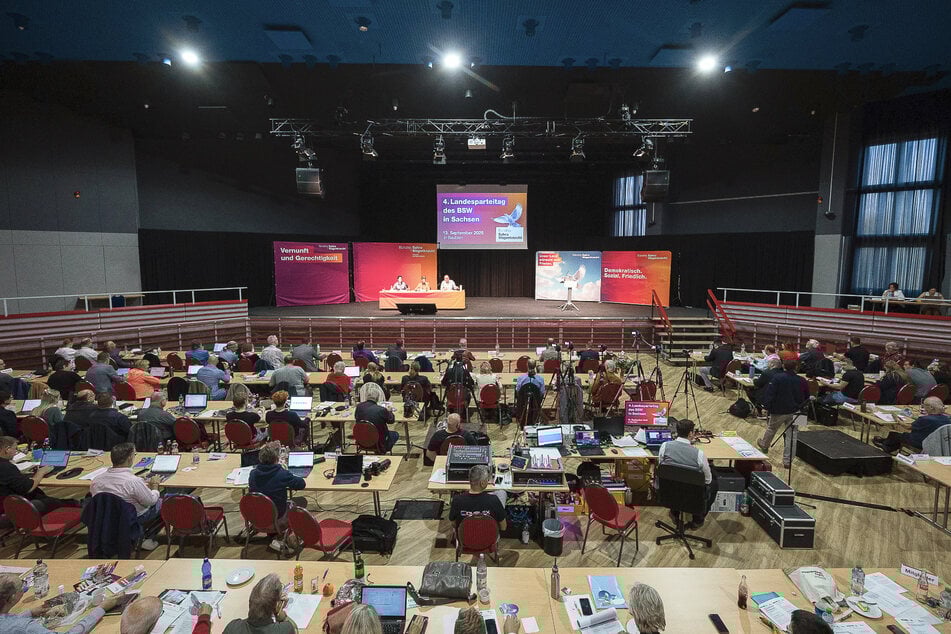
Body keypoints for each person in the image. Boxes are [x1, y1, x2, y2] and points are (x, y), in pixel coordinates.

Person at [0, 572, 128, 634]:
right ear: (11, 598)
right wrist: (101, 608)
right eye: (22, 588)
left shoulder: (14, 622)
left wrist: (30, 612)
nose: (24, 589)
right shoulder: (25, 626)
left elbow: (8, 624)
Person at [90, 442, 162, 549]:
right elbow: (150, 501)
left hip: (107, 516)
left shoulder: (96, 480)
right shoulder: (133, 481)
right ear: (129, 459)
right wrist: (155, 486)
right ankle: (143, 538)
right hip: (133, 517)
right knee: (165, 502)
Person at [657, 419, 716, 528]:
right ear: (690, 433)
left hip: (670, 491)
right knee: (714, 483)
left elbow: (662, 467)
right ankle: (698, 518)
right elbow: (707, 480)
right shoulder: (699, 454)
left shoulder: (664, 446)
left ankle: (674, 512)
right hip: (692, 495)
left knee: (674, 479)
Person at [248, 442, 306, 552]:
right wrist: (285, 471)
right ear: (276, 458)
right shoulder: (282, 474)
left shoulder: (253, 473)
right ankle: (293, 537)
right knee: (301, 502)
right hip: (277, 518)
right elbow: (301, 484)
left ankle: (273, 535)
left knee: (269, 502)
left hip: (256, 518)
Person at [0, 435, 78, 514]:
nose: (16, 452)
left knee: (41, 494)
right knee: (53, 502)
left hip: (6, 503)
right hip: (15, 508)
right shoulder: (6, 467)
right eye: (15, 449)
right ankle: (78, 506)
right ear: (7, 449)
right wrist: (41, 472)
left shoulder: (5, 465)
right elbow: (28, 488)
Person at [757, 359, 809, 468]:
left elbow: (770, 393)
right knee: (793, 435)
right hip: (798, 411)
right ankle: (788, 461)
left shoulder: (777, 378)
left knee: (771, 428)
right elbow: (807, 397)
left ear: (783, 367)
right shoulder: (802, 380)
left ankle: (764, 445)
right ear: (796, 368)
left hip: (779, 410)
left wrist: (765, 406)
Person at [222, 573, 298, 634]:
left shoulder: (232, 627)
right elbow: (294, 630)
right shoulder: (284, 629)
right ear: (275, 606)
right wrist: (280, 614)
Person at [874, 396, 951, 453]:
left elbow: (907, 427)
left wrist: (897, 420)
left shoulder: (925, 419)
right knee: (898, 436)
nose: (923, 407)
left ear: (931, 407)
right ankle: (885, 442)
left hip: (921, 442)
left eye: (924, 405)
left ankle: (886, 447)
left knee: (895, 434)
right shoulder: (947, 418)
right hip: (939, 444)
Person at [449, 464, 507, 535]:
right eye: (487, 480)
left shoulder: (457, 500)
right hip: (488, 541)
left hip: (464, 540)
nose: (488, 481)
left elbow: (453, 524)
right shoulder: (493, 500)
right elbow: (503, 527)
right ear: (482, 483)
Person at [355, 383, 398, 453]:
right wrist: (389, 411)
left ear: (366, 396)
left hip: (361, 439)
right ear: (377, 398)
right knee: (395, 434)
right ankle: (382, 450)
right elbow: (391, 421)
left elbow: (357, 418)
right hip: (378, 441)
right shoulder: (381, 410)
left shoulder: (359, 407)